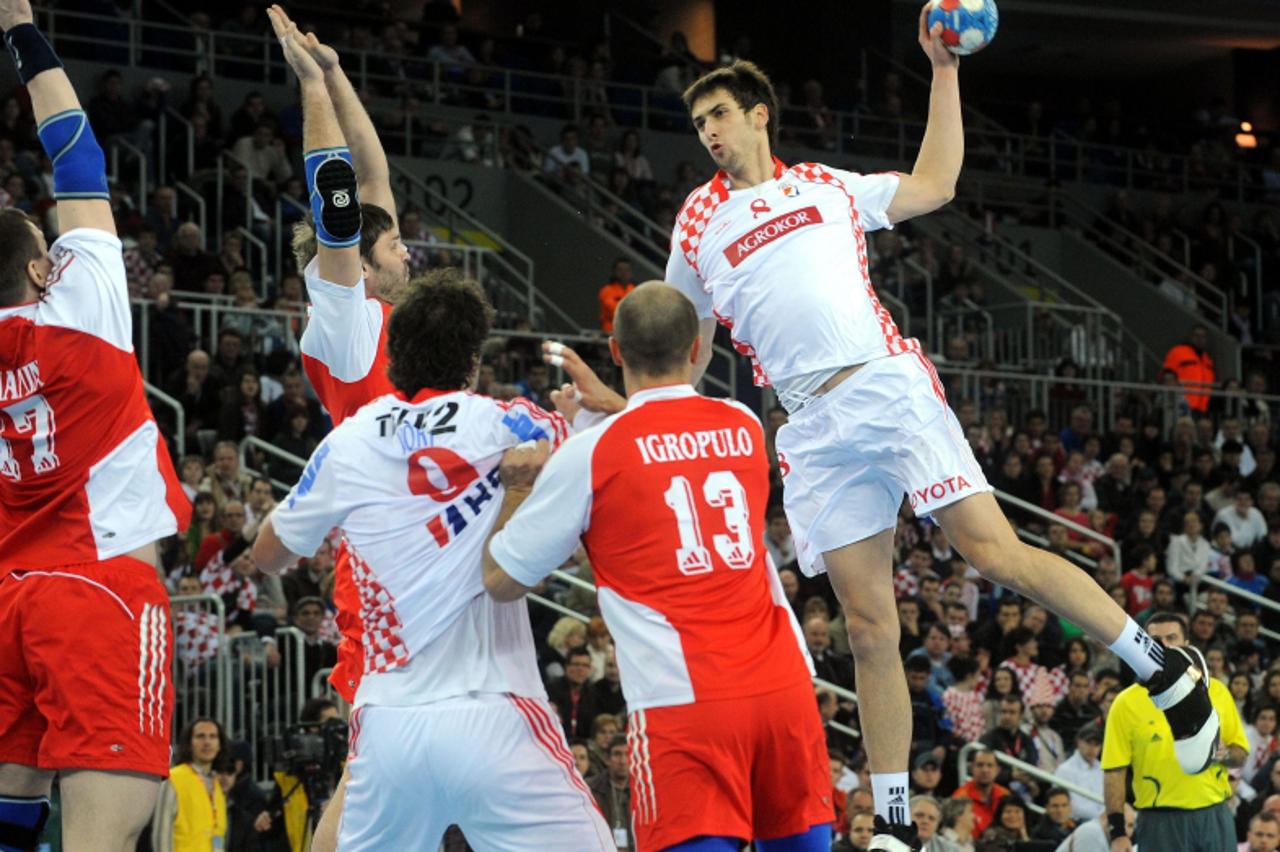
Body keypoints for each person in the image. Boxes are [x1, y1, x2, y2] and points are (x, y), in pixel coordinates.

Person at [628, 17, 1217, 851]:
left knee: (993, 553)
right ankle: (896, 823)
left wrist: (943, 69)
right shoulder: (696, 222)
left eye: (720, 115)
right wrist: (644, 412)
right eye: (699, 125)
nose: (710, 134)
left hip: (885, 386)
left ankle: (1163, 669)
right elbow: (681, 336)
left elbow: (937, 182)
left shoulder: (827, 188)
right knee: (870, 627)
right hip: (812, 425)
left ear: (760, 116)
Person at [249, 222, 609, 852]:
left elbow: (269, 552)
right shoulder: (512, 423)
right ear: (473, 363)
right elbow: (609, 446)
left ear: (392, 360)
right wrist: (593, 409)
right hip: (496, 714)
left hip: (388, 725)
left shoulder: (350, 439)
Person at [481, 284, 834, 850]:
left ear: (615, 352)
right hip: (782, 690)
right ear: (697, 349)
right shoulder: (742, 425)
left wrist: (521, 486)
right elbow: (673, 446)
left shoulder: (593, 452)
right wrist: (613, 413)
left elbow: (502, 580)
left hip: (683, 706)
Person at [0, 4, 193, 849]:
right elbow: (76, 150)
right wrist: (20, 29)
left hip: (8, 596)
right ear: (42, 266)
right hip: (102, 587)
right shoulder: (80, 301)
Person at [268, 8, 415, 845]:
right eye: (394, 250)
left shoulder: (382, 311)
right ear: (361, 256)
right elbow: (340, 186)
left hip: (423, 533)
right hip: (380, 551)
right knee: (369, 768)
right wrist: (308, 87)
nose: (408, 257)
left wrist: (334, 70)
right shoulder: (345, 318)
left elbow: (373, 172)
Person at [1102, 612, 1249, 852]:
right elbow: (1114, 771)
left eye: (1172, 638)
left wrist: (1223, 754)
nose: (1165, 646)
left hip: (1215, 813)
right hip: (1160, 820)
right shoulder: (1125, 703)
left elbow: (1241, 754)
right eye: (1155, 640)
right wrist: (1117, 833)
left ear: (1187, 645)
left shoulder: (1217, 690)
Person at [151, 719, 227, 852]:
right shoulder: (173, 779)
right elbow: (161, 835)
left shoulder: (217, 786)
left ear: (219, 745)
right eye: (200, 736)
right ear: (189, 744)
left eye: (213, 736)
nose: (207, 742)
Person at [951, 748, 1008, 839]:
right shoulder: (960, 797)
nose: (985, 770)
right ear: (972, 768)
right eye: (980, 765)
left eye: (990, 765)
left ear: (997, 770)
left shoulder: (1005, 795)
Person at [588, 735, 633, 851]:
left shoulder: (642, 790)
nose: (623, 761)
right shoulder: (590, 789)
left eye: (627, 754)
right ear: (607, 759)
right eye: (617, 754)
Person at [1054, 724, 1105, 822]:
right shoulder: (1065, 770)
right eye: (1088, 743)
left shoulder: (1102, 769)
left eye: (1096, 744)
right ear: (1078, 742)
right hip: (1077, 821)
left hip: (1101, 820)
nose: (1092, 748)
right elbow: (1073, 808)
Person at [1163, 325, 1216, 413]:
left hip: (1203, 408)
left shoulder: (1207, 359)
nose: (1199, 339)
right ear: (1190, 337)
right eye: (1196, 336)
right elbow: (1167, 375)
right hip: (1181, 405)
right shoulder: (1178, 351)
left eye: (1203, 337)